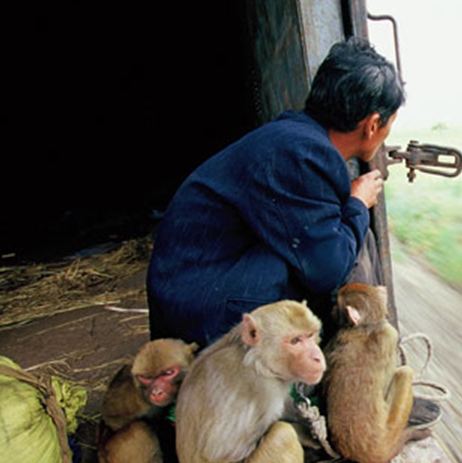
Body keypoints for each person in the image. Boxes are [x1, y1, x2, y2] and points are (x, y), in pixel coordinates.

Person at [146, 37, 404, 348]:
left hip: (194, 294)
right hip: (202, 318)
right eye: (390, 122)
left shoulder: (294, 138)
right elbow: (327, 270)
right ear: (373, 124)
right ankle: (360, 365)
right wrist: (358, 203)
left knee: (343, 236)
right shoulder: (304, 155)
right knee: (338, 253)